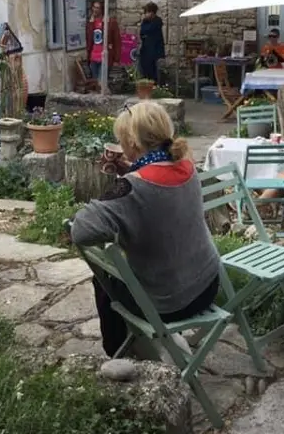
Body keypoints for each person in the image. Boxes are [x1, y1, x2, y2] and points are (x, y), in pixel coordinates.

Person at [69, 101, 220, 359]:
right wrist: (130, 173)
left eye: (121, 139)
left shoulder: (133, 189)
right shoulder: (187, 165)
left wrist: (121, 188)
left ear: (133, 143)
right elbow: (158, 188)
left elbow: (81, 230)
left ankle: (119, 354)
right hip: (207, 286)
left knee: (103, 278)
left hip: (169, 304)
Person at [85, 0, 121, 81]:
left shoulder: (111, 22)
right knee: (95, 82)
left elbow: (117, 41)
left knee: (102, 82)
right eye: (94, 7)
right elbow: (88, 38)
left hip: (105, 57)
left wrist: (116, 59)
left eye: (97, 8)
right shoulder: (91, 22)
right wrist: (91, 23)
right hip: (93, 56)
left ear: (102, 9)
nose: (95, 9)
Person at [138, 2, 165, 84]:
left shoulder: (157, 21)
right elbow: (142, 32)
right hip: (145, 49)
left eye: (147, 12)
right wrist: (146, 34)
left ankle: (154, 86)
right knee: (144, 69)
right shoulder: (145, 21)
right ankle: (146, 86)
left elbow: (150, 29)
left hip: (155, 50)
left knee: (153, 71)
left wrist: (146, 33)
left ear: (152, 12)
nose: (145, 14)